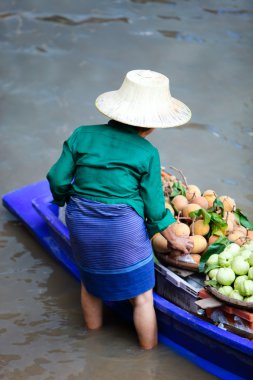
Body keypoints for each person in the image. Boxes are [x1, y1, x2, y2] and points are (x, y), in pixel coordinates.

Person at [47, 69, 193, 350]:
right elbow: (153, 206)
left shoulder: (82, 135)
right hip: (122, 226)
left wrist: (67, 199)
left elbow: (57, 178)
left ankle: (92, 344)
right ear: (151, 126)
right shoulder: (146, 152)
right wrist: (174, 239)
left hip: (80, 219)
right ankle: (147, 357)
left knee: (90, 287)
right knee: (142, 297)